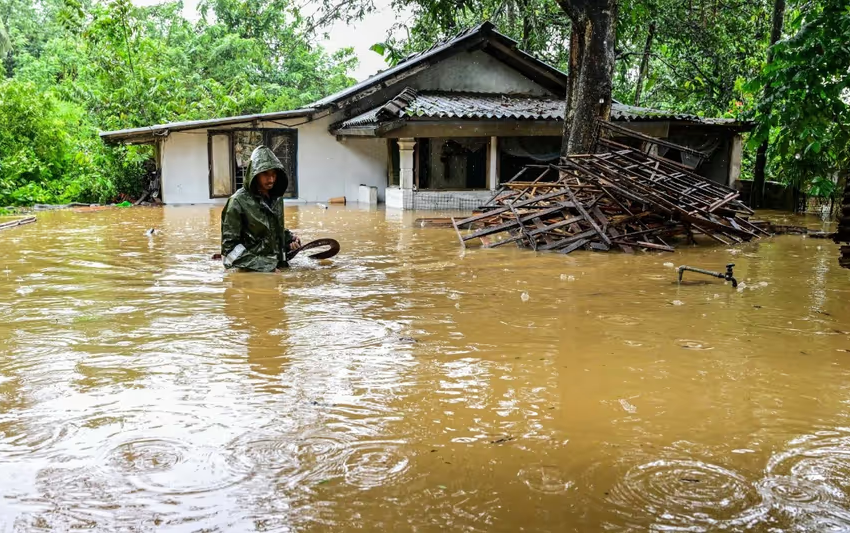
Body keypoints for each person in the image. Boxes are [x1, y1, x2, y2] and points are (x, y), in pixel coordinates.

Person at [220, 145, 300, 272]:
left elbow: (272, 229)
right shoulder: (237, 202)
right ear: (254, 174)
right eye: (265, 174)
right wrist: (265, 267)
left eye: (274, 174)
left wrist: (290, 240)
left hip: (277, 268)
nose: (271, 179)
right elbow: (229, 252)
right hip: (251, 273)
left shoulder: (277, 199)